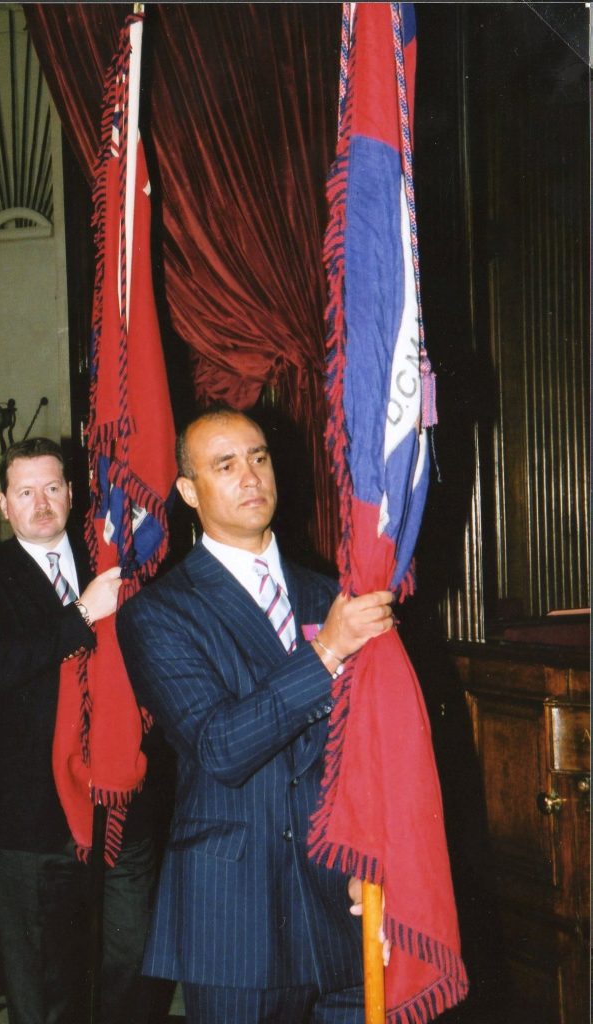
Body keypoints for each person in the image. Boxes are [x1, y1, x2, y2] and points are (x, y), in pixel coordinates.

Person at [117, 408, 394, 1024]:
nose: (250, 476)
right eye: (225, 464)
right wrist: (325, 653)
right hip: (235, 914)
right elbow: (220, 746)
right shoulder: (160, 612)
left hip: (343, 898)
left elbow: (370, 752)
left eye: (259, 457)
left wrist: (375, 864)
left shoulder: (331, 595)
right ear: (190, 491)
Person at [0, 437, 159, 1024]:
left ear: (72, 493)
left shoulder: (113, 560)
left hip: (121, 802)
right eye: (25, 492)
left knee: (132, 953)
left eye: (52, 488)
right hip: (30, 813)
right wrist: (82, 615)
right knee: (44, 980)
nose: (41, 503)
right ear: (3, 504)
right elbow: (0, 667)